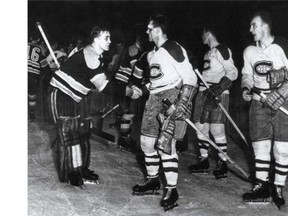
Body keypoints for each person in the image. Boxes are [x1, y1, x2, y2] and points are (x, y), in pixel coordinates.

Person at [49, 24, 141, 188]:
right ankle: (72, 173)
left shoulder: (96, 56)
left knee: (83, 133)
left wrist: (125, 88)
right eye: (106, 38)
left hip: (76, 97)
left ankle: (82, 169)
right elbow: (104, 87)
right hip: (61, 94)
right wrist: (127, 91)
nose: (110, 41)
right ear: (95, 39)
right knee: (69, 134)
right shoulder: (90, 55)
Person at [131, 14, 198, 212]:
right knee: (146, 142)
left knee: (166, 145)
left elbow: (190, 77)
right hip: (153, 99)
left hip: (171, 97)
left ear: (158, 30)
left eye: (149, 29)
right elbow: (153, 82)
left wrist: (181, 103)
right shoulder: (152, 54)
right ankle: (152, 181)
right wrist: (140, 91)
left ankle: (172, 189)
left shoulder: (173, 48)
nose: (147, 32)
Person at [241, 11, 288, 209]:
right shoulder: (249, 51)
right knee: (260, 147)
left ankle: (277, 187)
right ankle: (261, 186)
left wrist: (283, 93)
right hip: (259, 101)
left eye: (254, 25)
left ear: (265, 26)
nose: (250, 29)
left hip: (282, 102)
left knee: (281, 149)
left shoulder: (283, 45)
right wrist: (245, 87)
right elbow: (246, 74)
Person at [188, 26, 238, 179]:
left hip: (218, 93)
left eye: (202, 34)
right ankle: (204, 160)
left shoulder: (221, 49)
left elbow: (233, 72)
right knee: (200, 126)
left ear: (208, 33)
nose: (201, 37)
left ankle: (223, 162)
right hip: (203, 92)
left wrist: (218, 88)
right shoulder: (207, 53)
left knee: (216, 129)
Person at [113, 31, 148, 151]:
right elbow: (135, 69)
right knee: (128, 112)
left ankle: (125, 137)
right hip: (125, 83)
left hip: (126, 82)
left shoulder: (135, 50)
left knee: (130, 112)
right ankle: (123, 138)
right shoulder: (134, 50)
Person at [28, 29, 49, 122]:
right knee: (32, 96)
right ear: (38, 40)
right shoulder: (40, 49)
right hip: (33, 75)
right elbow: (44, 65)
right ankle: (31, 115)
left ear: (30, 38)